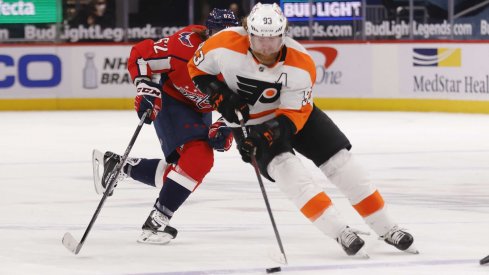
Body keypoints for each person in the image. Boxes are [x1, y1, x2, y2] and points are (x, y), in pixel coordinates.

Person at [188, 3, 418, 257]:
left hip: (296, 115)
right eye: (259, 39)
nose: (266, 47)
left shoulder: (302, 63)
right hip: (248, 122)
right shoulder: (223, 42)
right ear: (248, 32)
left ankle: (387, 227)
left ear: (284, 34)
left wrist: (266, 134)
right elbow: (196, 68)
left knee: (342, 165)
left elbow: (293, 116)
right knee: (289, 173)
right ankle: (340, 231)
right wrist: (219, 95)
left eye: (273, 40)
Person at [92, 8, 240, 244]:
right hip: (172, 101)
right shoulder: (183, 49)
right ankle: (156, 222)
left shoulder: (246, 62)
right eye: (217, 34)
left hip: (201, 109)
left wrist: (227, 124)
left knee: (181, 173)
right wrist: (145, 86)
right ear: (207, 33)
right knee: (200, 159)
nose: (223, 41)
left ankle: (120, 166)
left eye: (229, 35)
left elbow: (248, 104)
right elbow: (141, 54)